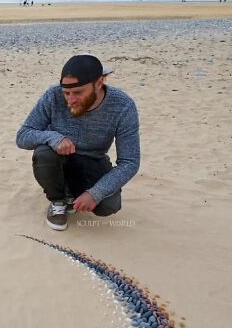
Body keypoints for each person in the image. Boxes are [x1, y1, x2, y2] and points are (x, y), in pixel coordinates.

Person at [16, 54, 140, 231]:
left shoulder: (123, 106)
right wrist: (54, 138)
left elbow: (130, 162)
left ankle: (72, 192)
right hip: (57, 157)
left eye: (78, 92)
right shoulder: (52, 96)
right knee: (44, 153)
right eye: (66, 93)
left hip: (92, 161)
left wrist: (95, 194)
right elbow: (23, 135)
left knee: (108, 205)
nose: (70, 100)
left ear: (99, 83)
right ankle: (58, 201)